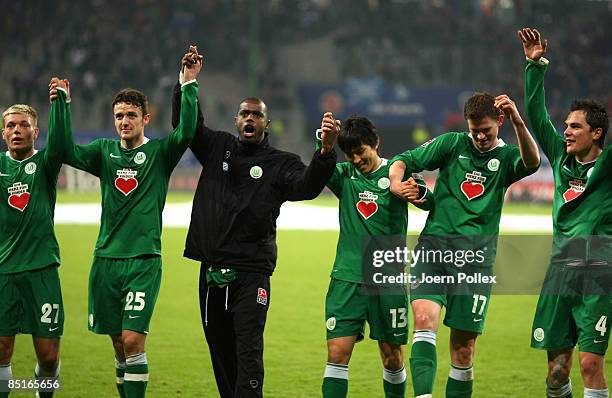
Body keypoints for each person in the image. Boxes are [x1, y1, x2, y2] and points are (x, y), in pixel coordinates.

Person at [172, 47, 338, 398]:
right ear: (236, 120)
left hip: (251, 273)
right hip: (212, 271)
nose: (250, 119)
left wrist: (325, 154)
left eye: (256, 115)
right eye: (244, 114)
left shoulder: (281, 162)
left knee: (248, 352)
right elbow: (187, 127)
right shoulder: (218, 147)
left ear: (266, 122)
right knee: (220, 352)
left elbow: (307, 186)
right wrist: (186, 82)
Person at [62, 48, 201, 398]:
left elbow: (186, 132)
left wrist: (188, 82)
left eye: (131, 115)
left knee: (133, 340)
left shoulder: (159, 154)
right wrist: (61, 107)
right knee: (119, 347)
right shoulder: (103, 151)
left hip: (143, 260)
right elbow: (64, 150)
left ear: (146, 119)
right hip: (106, 260)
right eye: (119, 116)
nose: (124, 121)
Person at [389, 92, 541, 398]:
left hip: (476, 260)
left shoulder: (508, 156)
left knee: (463, 351)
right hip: (434, 248)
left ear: (500, 121)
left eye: (486, 130)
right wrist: (396, 183)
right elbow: (403, 160)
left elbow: (533, 162)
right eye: (475, 131)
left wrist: (518, 121)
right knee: (422, 320)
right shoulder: (452, 143)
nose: (481, 137)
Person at [519, 27, 611, 398]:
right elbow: (536, 113)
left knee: (590, 364)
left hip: (598, 273)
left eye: (576, 127)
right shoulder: (560, 158)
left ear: (598, 133)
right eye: (567, 126)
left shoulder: (607, 168)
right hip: (560, 271)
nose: (567, 132)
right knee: (557, 372)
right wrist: (535, 65)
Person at [318, 113, 431, 398]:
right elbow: (318, 168)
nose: (355, 159)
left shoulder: (396, 173)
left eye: (360, 151)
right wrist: (325, 145)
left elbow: (429, 199)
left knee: (392, 356)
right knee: (337, 354)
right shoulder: (344, 176)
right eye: (350, 154)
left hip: (387, 280)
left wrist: (419, 192)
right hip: (347, 277)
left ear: (375, 143)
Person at [0, 78, 70, 398]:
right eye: (10, 126)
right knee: (1, 350)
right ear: (3, 133)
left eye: (23, 125)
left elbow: (60, 143)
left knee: (48, 355)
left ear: (35, 132)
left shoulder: (44, 163)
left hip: (41, 270)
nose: (16, 130)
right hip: (3, 273)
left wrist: (60, 105)